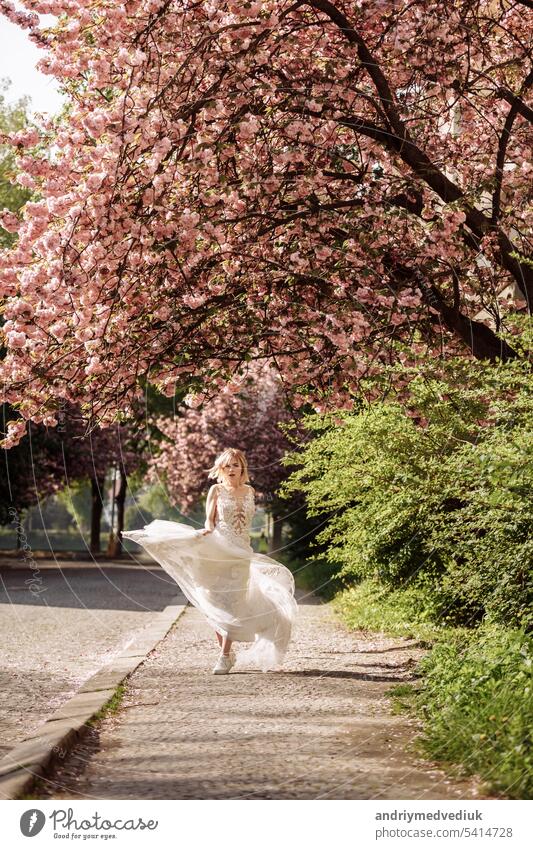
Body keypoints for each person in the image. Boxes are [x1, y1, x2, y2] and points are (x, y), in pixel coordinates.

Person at [122, 448, 298, 674]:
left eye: (235, 465)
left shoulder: (250, 491)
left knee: (235, 601)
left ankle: (224, 656)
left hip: (241, 553)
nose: (231, 469)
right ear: (221, 469)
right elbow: (209, 522)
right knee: (216, 602)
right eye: (227, 466)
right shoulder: (215, 490)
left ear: (242, 467)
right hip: (218, 550)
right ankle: (226, 653)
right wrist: (199, 535)